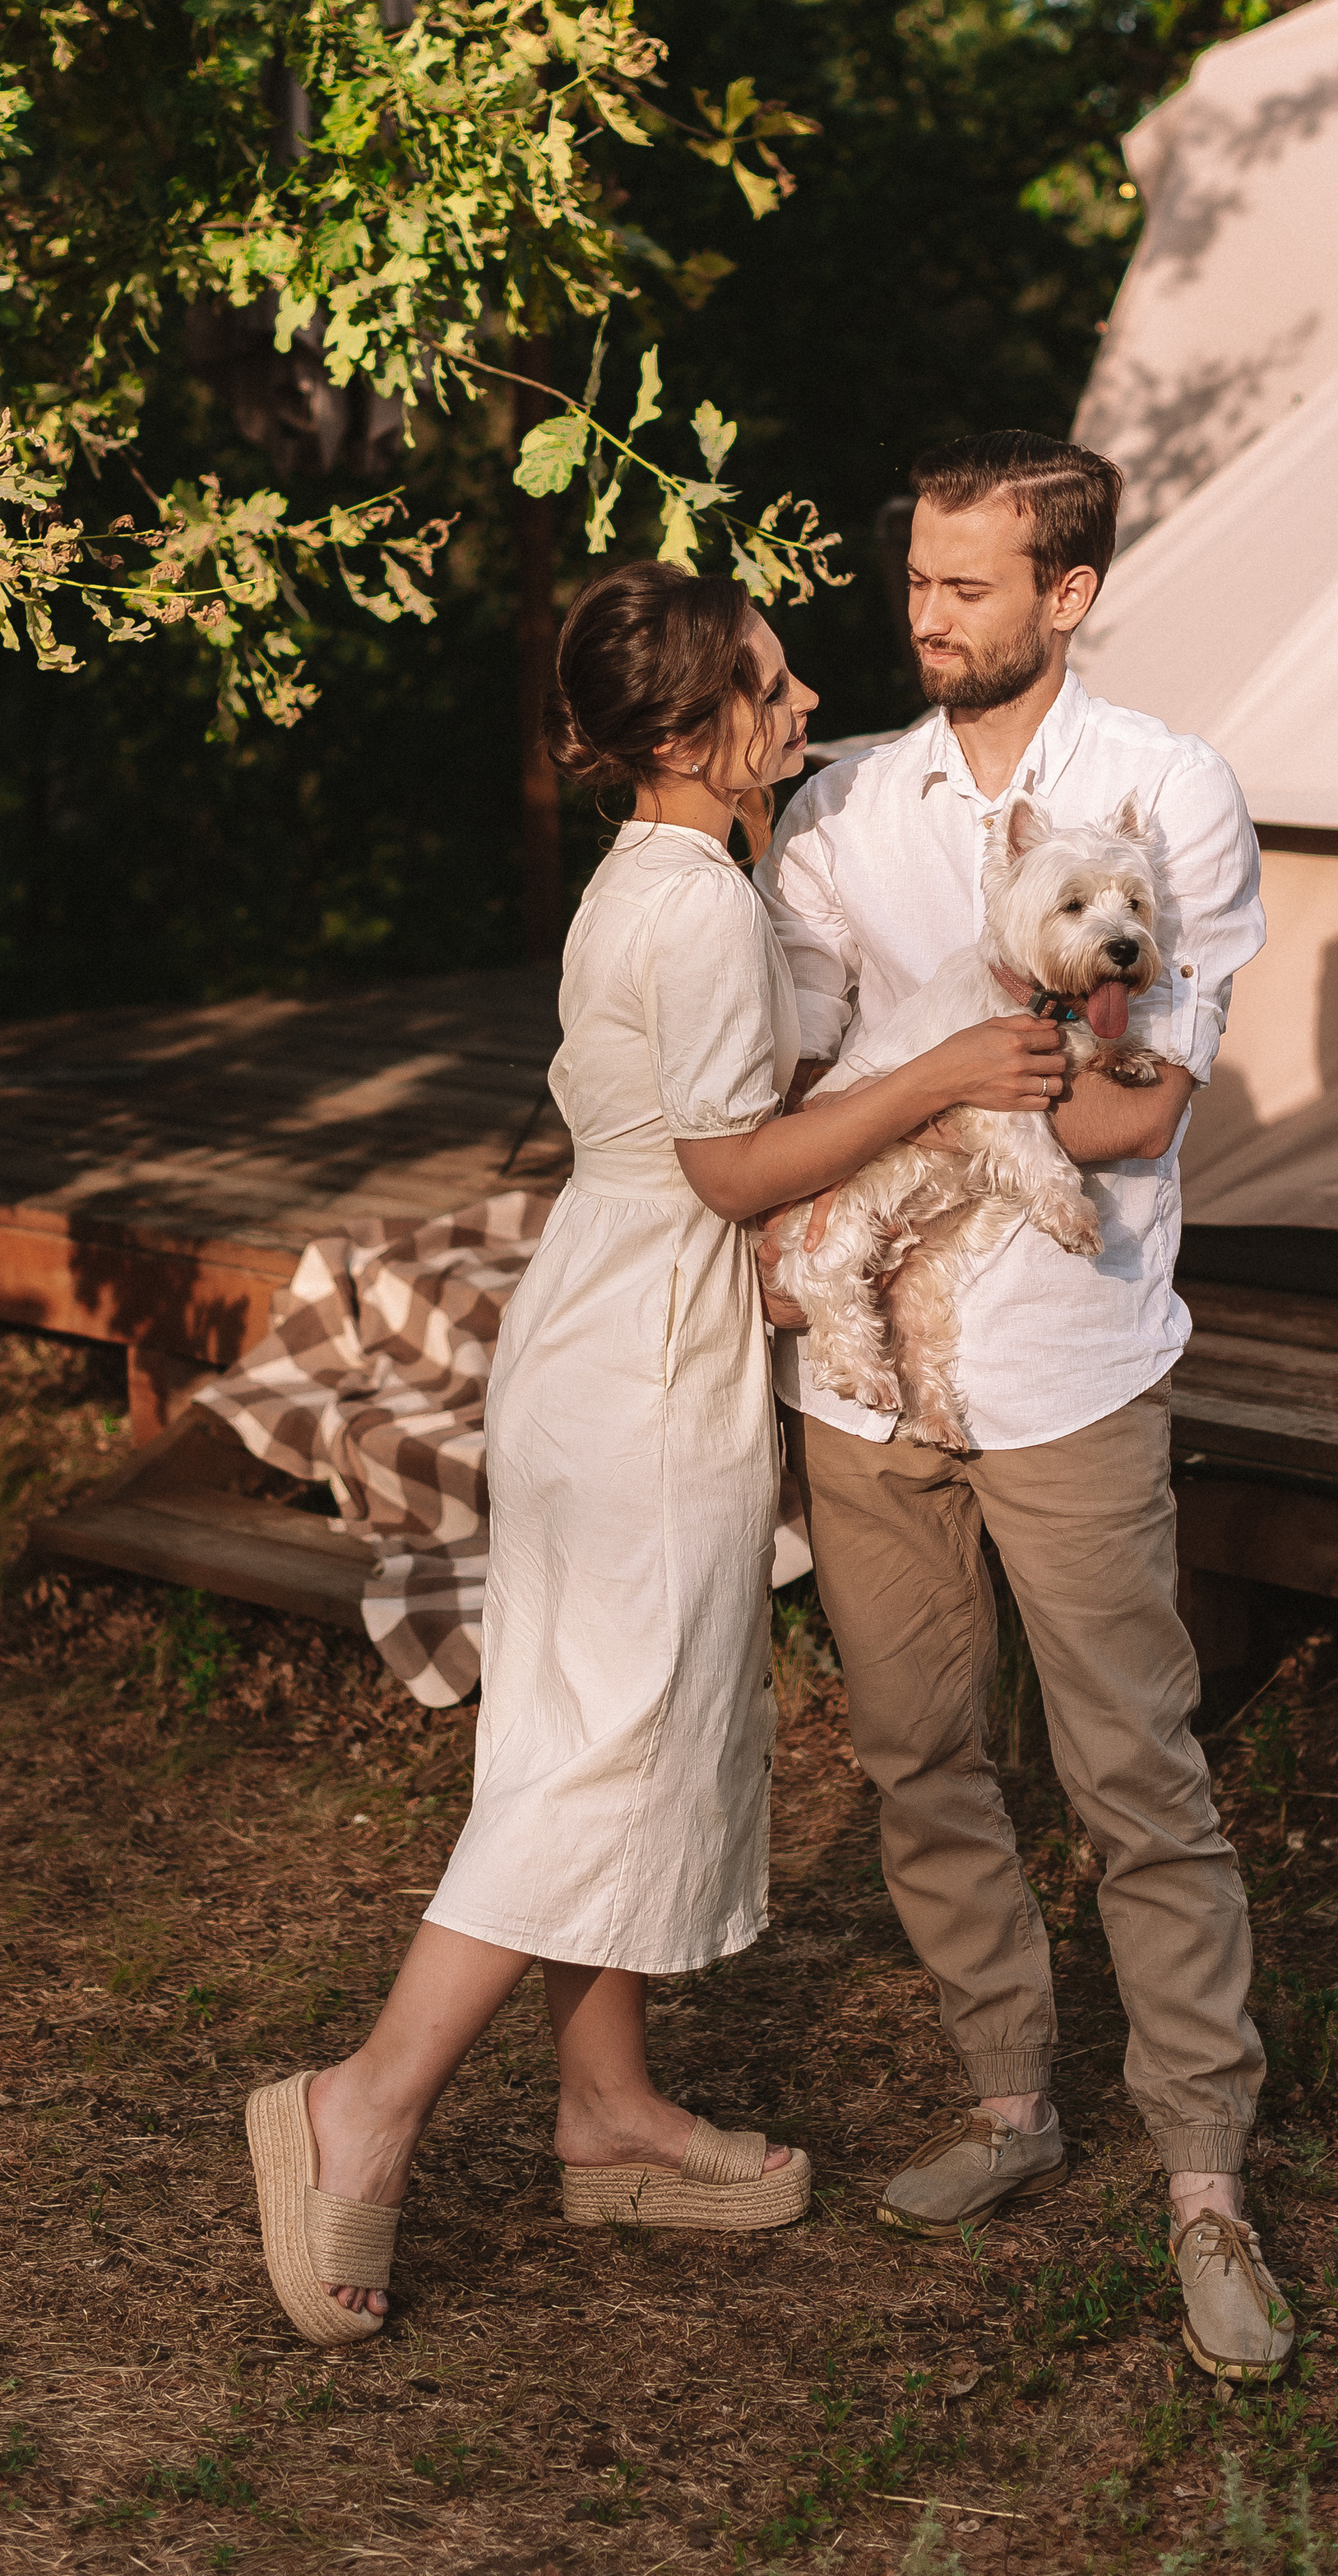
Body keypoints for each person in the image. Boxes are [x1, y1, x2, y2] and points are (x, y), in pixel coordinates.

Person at [246, 557, 1076, 2345]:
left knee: (591, 1725)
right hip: (640, 1355)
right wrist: (941, 1081)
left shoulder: (663, 870)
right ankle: (362, 2102)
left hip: (603, 1323)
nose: (797, 705)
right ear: (690, 733)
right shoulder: (695, 906)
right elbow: (728, 1166)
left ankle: (608, 2106)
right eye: (767, 688)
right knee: (600, 1745)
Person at [758, 432, 1296, 2386]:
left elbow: (1138, 1104)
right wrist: (932, 1091)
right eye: (914, 579)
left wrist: (931, 1090)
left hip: (1069, 1356)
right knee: (918, 1761)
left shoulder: (1169, 794)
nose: (922, 615)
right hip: (862, 1369)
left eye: (963, 587)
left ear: (1064, 597)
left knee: (1134, 1779)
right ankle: (1007, 2101)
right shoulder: (836, 808)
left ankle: (1202, 2176)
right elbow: (789, 1074)